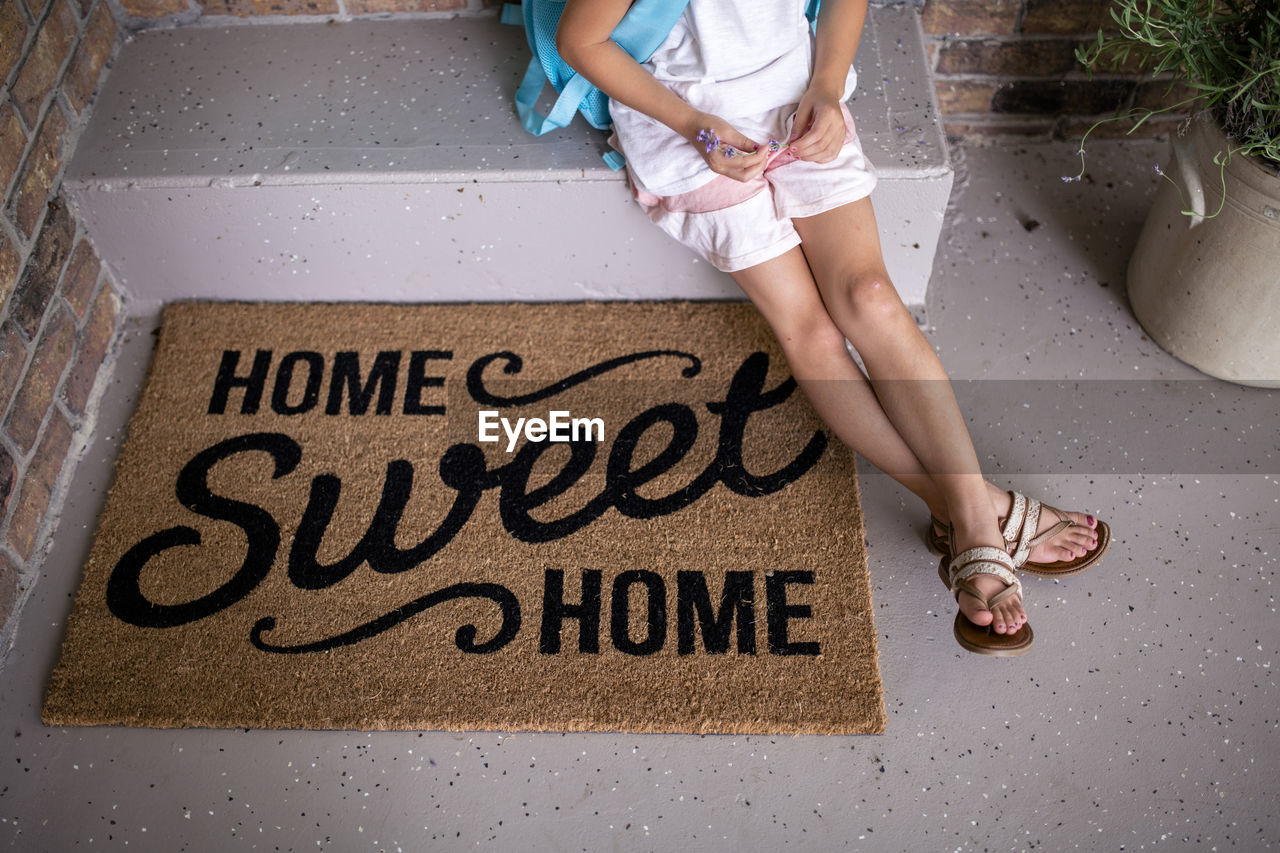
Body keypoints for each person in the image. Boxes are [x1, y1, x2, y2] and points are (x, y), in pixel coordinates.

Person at [555, 0, 1109, 655]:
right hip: (691, 126)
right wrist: (698, 127)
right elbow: (580, 40)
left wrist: (825, 83)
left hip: (796, 98)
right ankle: (978, 519)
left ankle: (962, 516)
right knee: (811, 333)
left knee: (871, 297)